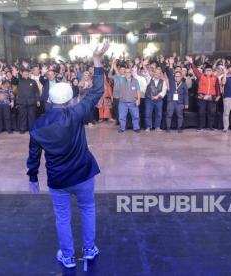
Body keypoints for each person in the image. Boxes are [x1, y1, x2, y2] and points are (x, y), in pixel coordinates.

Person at [26, 41, 109, 269]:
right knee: (88, 209)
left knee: (62, 218)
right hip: (83, 174)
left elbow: (34, 156)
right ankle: (89, 249)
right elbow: (97, 91)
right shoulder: (76, 113)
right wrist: (97, 61)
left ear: (50, 101)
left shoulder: (37, 126)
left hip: (58, 179)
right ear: (71, 100)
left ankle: (68, 256)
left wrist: (32, 177)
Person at [187, 56, 221, 131]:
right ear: (204, 71)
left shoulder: (215, 78)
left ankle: (211, 127)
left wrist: (218, 96)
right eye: (207, 70)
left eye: (210, 70)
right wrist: (191, 62)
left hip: (211, 98)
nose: (208, 71)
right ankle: (200, 127)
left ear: (212, 71)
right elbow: (195, 70)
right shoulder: (201, 76)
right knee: (201, 113)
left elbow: (217, 87)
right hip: (202, 97)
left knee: (211, 113)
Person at [166, 57, 189, 133]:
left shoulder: (184, 84)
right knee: (169, 115)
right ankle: (168, 128)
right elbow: (170, 72)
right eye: (176, 76)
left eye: (179, 76)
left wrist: (186, 104)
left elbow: (186, 95)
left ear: (181, 77)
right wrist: (171, 64)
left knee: (180, 116)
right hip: (171, 102)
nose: (177, 77)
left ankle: (179, 128)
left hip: (180, 103)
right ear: (174, 77)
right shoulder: (172, 81)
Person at [116, 68, 141, 133]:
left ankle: (136, 128)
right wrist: (114, 65)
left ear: (131, 73)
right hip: (123, 103)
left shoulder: (135, 81)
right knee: (122, 117)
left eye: (129, 72)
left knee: (136, 116)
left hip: (133, 102)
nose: (127, 74)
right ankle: (122, 128)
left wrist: (138, 99)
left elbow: (138, 91)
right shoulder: (121, 79)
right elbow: (117, 73)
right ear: (124, 73)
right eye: (126, 72)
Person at [17, 68, 40, 134]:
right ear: (22, 74)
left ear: (29, 74)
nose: (26, 74)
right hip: (22, 101)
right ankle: (22, 129)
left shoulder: (33, 81)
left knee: (32, 116)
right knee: (22, 116)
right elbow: (12, 80)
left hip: (31, 101)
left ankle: (31, 129)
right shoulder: (18, 80)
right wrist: (15, 73)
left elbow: (36, 91)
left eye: (27, 73)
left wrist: (38, 100)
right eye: (24, 73)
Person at [144, 67, 166, 131]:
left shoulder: (163, 81)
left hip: (158, 100)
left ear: (160, 74)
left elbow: (163, 91)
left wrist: (157, 96)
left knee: (159, 114)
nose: (157, 74)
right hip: (149, 100)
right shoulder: (149, 79)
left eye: (158, 73)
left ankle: (157, 127)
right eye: (155, 72)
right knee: (148, 114)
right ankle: (148, 127)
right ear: (154, 73)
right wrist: (144, 65)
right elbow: (146, 73)